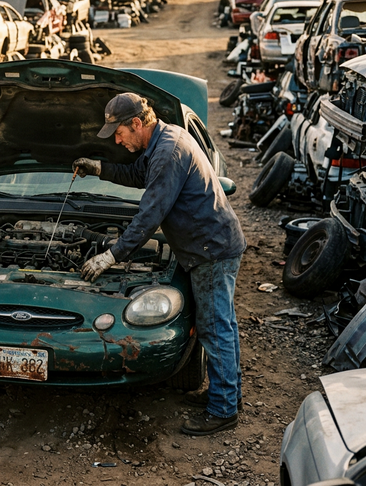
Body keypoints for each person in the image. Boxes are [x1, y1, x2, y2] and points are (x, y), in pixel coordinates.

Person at [73, 92, 246, 436]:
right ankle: (226, 396)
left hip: (210, 250)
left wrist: (112, 255)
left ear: (137, 123)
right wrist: (99, 169)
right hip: (209, 244)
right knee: (221, 324)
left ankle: (224, 410)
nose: (118, 141)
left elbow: (148, 215)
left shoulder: (167, 152)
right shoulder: (164, 141)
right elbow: (138, 174)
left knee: (215, 327)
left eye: (119, 133)